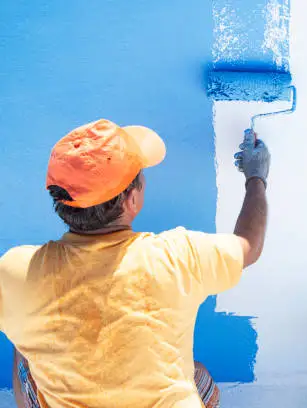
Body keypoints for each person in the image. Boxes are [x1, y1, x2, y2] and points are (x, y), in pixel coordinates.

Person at [0, 119, 270, 408]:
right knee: (200, 377)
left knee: (22, 334)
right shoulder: (177, 257)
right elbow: (248, 246)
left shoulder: (17, 272)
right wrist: (256, 177)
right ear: (131, 200)